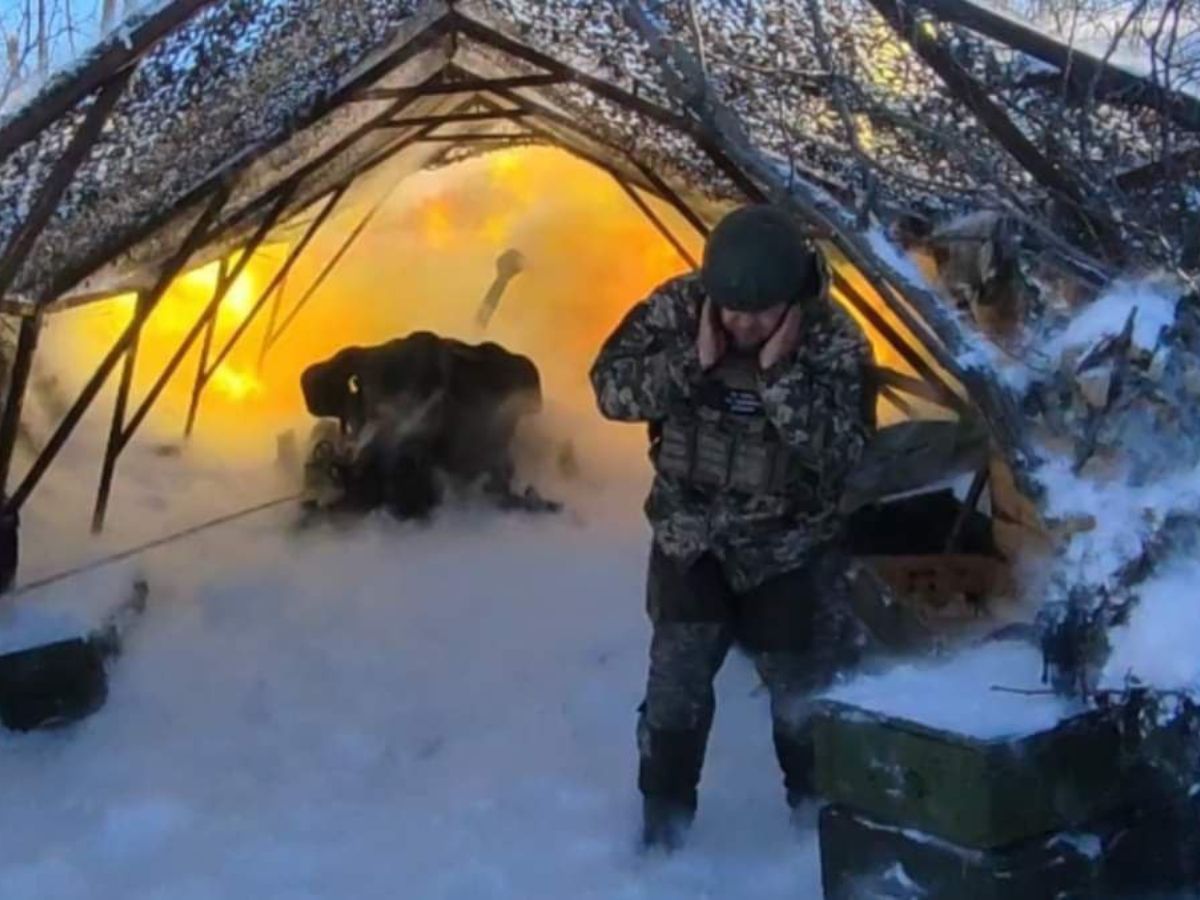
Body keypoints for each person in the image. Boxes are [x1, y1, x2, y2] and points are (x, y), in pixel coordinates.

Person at [589, 204, 876, 851]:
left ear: (793, 299)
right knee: (674, 695)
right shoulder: (681, 308)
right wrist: (691, 361)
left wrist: (778, 379)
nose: (743, 324)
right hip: (691, 542)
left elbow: (849, 452)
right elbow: (609, 389)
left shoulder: (834, 341)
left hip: (788, 550)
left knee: (799, 696)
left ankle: (815, 833)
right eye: (732, 311)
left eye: (760, 313)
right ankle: (663, 837)